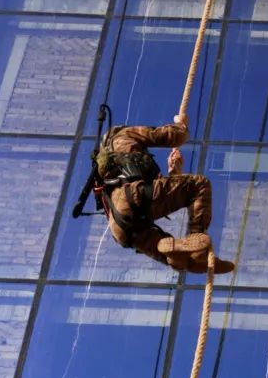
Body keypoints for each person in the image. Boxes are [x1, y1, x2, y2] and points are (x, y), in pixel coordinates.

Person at [95, 113, 235, 274]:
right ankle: (197, 240)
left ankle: (191, 261)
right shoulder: (124, 134)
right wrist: (180, 124)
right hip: (136, 198)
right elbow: (174, 136)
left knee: (174, 255)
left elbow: (160, 193)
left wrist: (175, 172)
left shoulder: (108, 167)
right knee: (199, 185)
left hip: (120, 226)